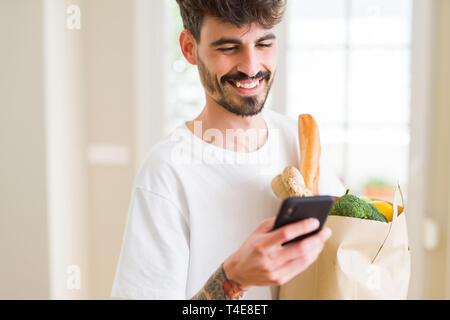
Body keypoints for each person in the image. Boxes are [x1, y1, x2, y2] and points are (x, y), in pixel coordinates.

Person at [111, 0, 346, 300]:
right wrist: (233, 277)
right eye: (228, 48)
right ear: (189, 48)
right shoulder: (166, 172)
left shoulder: (299, 142)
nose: (251, 67)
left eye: (263, 44)